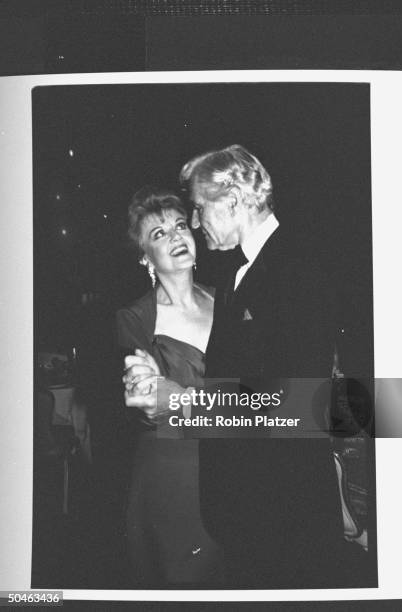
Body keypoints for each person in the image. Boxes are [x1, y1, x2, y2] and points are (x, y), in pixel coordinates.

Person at [124, 146, 372, 588]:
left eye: (198, 209)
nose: (196, 223)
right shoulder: (240, 274)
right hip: (245, 509)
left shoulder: (297, 268)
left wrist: (180, 402)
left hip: (282, 511)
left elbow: (294, 407)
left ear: (233, 201)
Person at [116, 186, 223, 587]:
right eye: (159, 234)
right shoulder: (134, 319)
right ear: (145, 256)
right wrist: (149, 396)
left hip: (232, 466)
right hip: (175, 478)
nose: (176, 236)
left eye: (180, 226)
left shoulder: (229, 299)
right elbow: (145, 403)